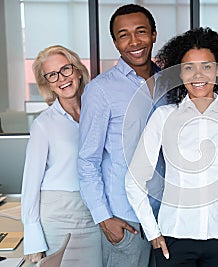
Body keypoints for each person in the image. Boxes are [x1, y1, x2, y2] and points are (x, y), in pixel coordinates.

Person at [125, 27, 218, 267]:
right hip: (174, 239)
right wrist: (152, 232)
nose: (198, 75)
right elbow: (134, 180)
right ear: (180, 74)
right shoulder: (163, 117)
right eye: (189, 68)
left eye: (206, 66)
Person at [77, 4, 164, 267]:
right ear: (115, 42)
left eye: (141, 32)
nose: (134, 41)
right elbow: (87, 160)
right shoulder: (100, 91)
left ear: (154, 35)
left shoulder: (170, 83)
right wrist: (104, 218)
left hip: (167, 215)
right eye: (124, 35)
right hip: (126, 219)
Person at [21, 45, 101, 266]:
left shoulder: (97, 114)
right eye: (52, 75)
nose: (61, 78)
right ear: (47, 83)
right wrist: (33, 240)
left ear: (76, 70)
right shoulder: (43, 124)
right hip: (58, 215)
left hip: (93, 213)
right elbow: (30, 184)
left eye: (65, 69)